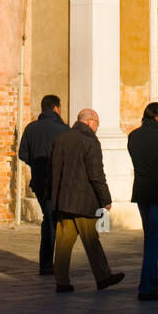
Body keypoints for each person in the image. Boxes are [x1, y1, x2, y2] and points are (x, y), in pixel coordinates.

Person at [48, 108, 124, 293]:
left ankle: (62, 281)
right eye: (97, 123)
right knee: (91, 239)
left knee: (64, 242)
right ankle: (103, 276)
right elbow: (96, 174)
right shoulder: (90, 141)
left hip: (63, 200)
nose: (97, 127)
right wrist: (105, 198)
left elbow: (53, 170)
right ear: (90, 121)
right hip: (83, 200)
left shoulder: (61, 139)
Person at [127, 101, 158, 301]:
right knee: (154, 241)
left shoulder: (133, 136)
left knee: (149, 238)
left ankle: (153, 280)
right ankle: (147, 285)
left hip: (141, 192)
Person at [18, 94, 70, 275]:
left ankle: (48, 262)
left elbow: (22, 154)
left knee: (49, 218)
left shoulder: (31, 128)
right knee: (52, 221)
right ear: (56, 108)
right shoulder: (63, 129)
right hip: (57, 182)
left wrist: (36, 164)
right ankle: (49, 263)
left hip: (39, 181)